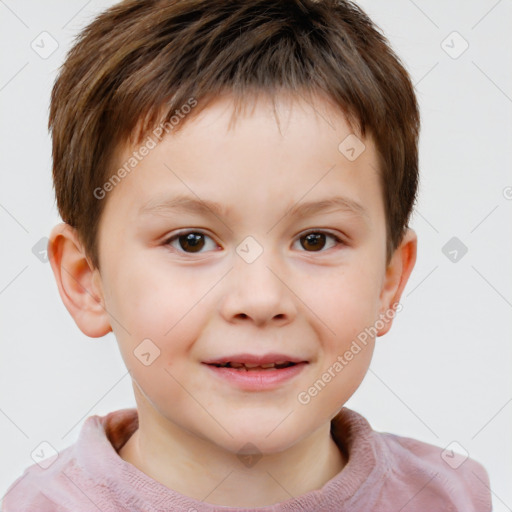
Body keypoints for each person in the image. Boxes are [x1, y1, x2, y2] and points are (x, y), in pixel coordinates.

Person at [1, 0, 492, 510]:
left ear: (389, 281)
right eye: (191, 241)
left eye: (315, 240)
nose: (260, 299)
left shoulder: (455, 496)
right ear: (87, 281)